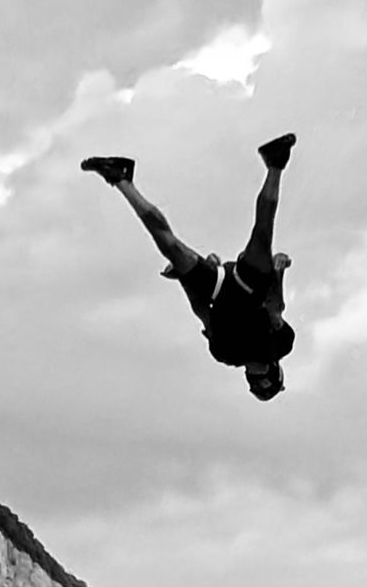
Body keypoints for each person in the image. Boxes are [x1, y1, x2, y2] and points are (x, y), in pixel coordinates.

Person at [81, 135, 297, 400]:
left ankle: (121, 178)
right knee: (262, 232)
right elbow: (275, 307)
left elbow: (201, 311)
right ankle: (276, 165)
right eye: (264, 384)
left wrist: (184, 277)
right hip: (249, 284)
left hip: (219, 287)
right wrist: (278, 271)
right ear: (275, 374)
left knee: (169, 245)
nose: (256, 380)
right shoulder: (280, 346)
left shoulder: (226, 354)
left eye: (255, 386)